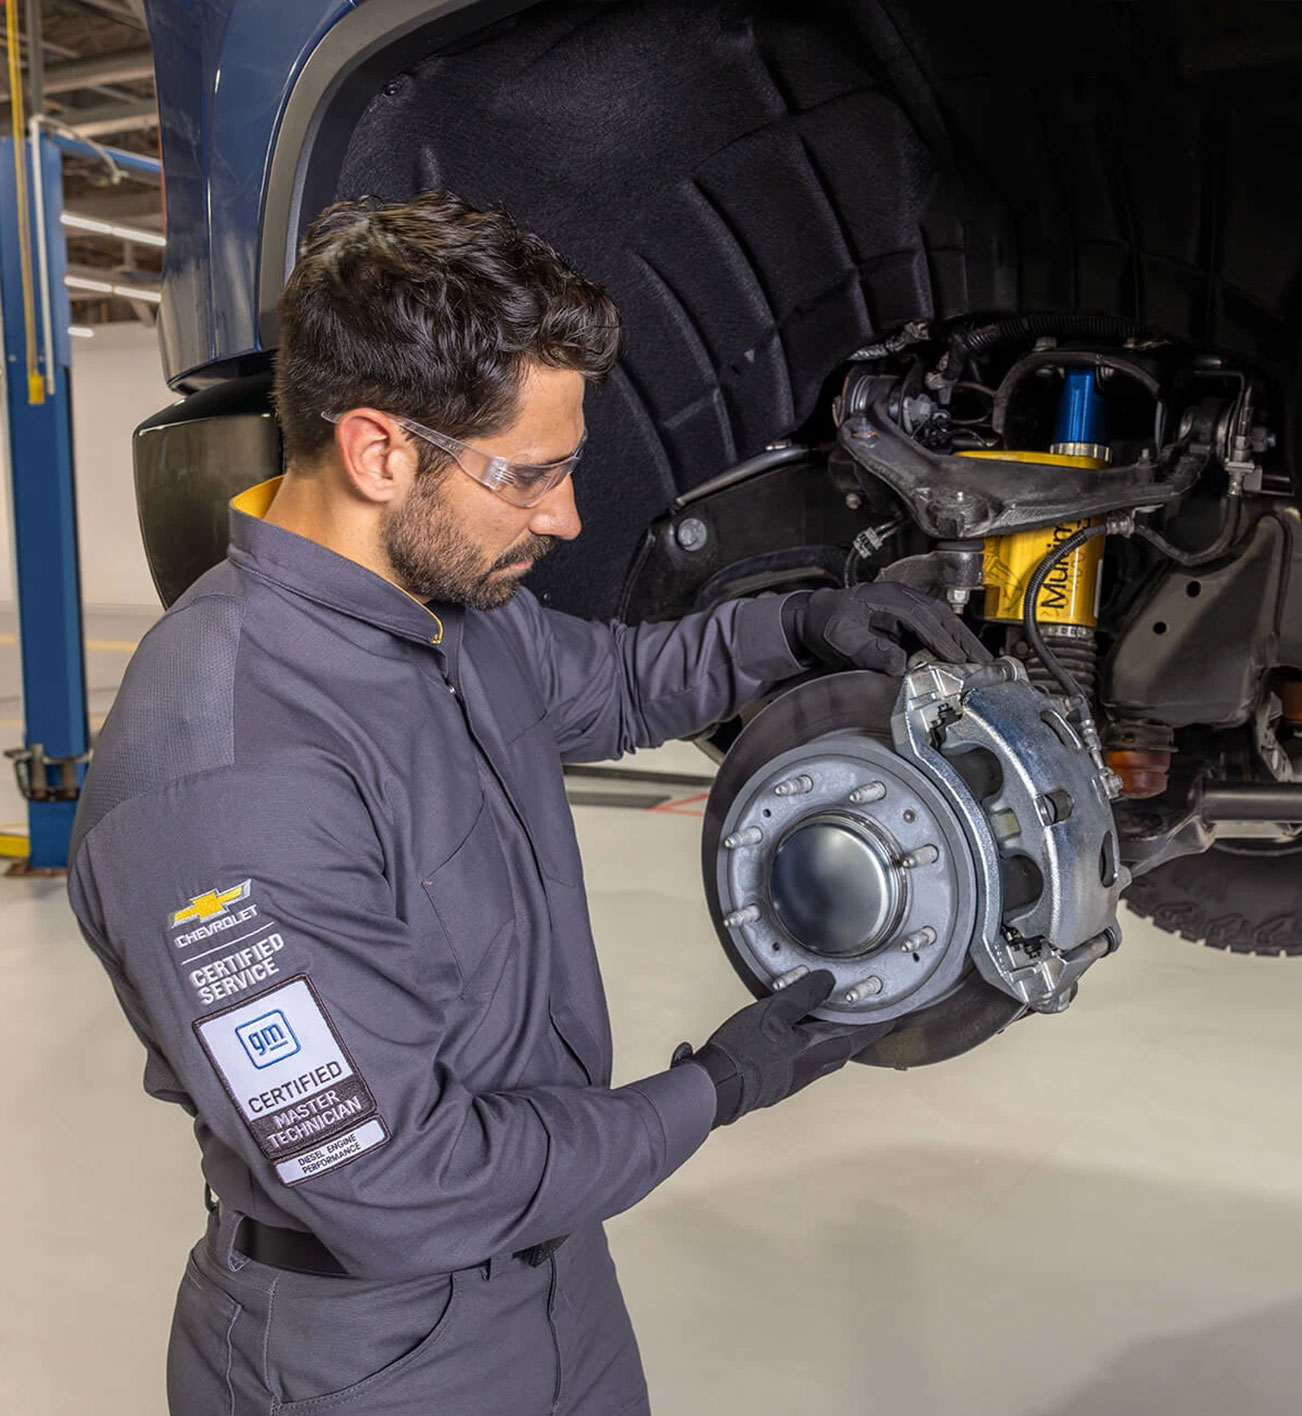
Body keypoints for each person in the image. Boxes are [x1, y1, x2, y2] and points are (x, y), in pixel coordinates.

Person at [67, 192, 986, 1416]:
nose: (566, 516)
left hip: (554, 1286)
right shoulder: (226, 778)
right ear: (378, 449)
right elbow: (404, 1183)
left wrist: (799, 624)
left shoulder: (449, 610)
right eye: (532, 475)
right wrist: (716, 1088)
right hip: (371, 1356)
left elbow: (609, 684)